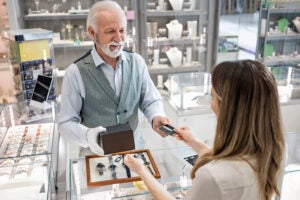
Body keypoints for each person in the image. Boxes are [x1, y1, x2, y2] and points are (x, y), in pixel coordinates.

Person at [125, 60, 285, 200]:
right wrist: (195, 143)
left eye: (213, 97)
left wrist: (143, 171)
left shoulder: (210, 177)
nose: (211, 104)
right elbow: (230, 162)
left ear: (228, 108)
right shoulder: (275, 153)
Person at [58, 0, 170, 155]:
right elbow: (66, 122)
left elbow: (150, 99)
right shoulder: (75, 73)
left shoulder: (137, 62)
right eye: (110, 31)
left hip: (135, 152)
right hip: (97, 158)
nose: (119, 39)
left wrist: (156, 116)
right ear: (92, 33)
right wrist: (88, 136)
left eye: (122, 30)